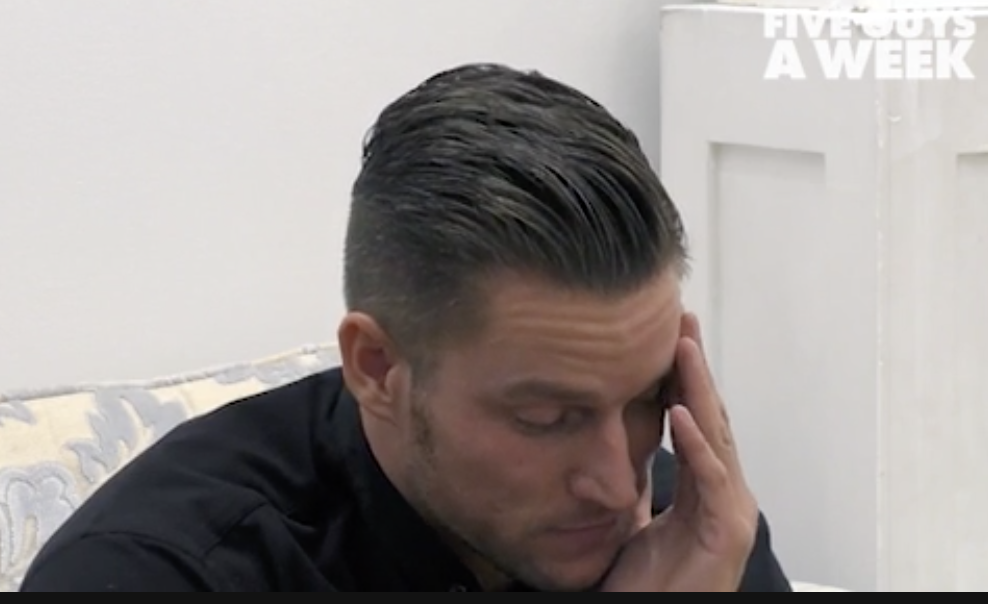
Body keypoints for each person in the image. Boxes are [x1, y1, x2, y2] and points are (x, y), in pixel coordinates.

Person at [19, 63, 791, 592]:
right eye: (546, 419)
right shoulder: (159, 571)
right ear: (378, 366)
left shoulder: (691, 534)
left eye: (646, 400)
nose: (620, 482)